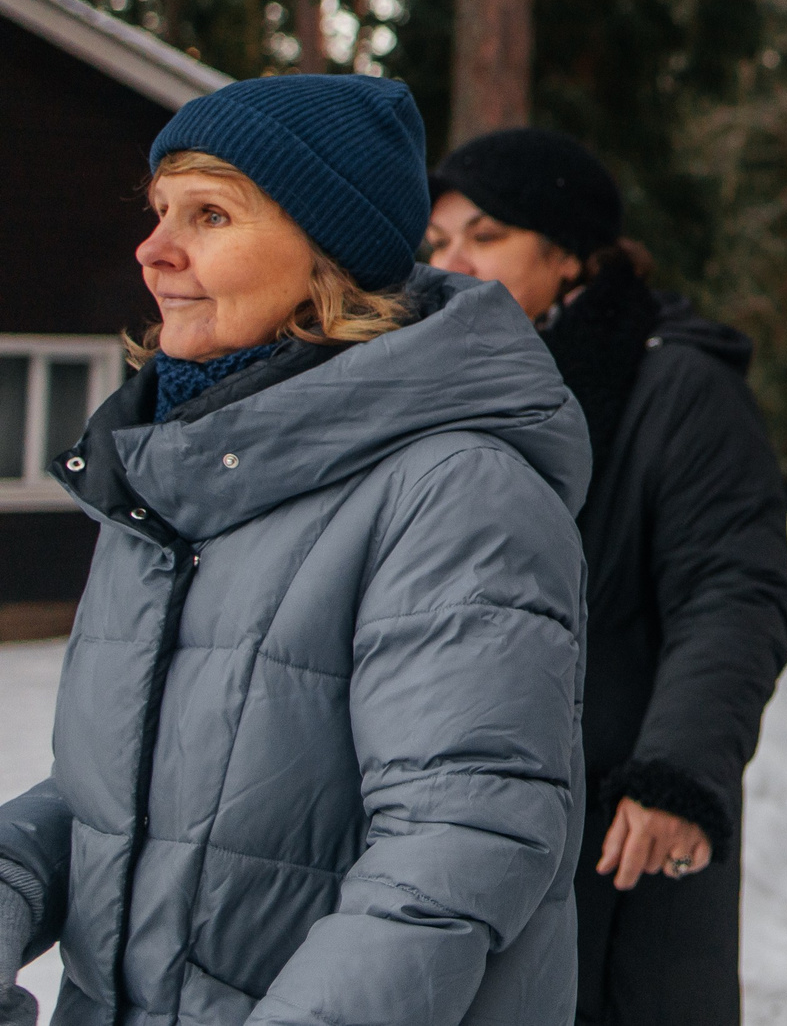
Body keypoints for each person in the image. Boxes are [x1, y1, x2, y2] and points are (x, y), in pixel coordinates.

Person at [0, 75, 589, 1026]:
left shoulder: (455, 490)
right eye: (158, 212)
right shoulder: (176, 471)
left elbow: (456, 847)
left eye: (209, 213)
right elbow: (123, 798)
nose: (154, 251)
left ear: (329, 252)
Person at [426, 127, 787, 1026]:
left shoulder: (678, 386)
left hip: (613, 811)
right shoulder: (430, 384)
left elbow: (732, 591)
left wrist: (674, 772)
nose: (453, 263)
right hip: (453, 808)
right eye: (437, 244)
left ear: (573, 255)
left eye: (486, 235)